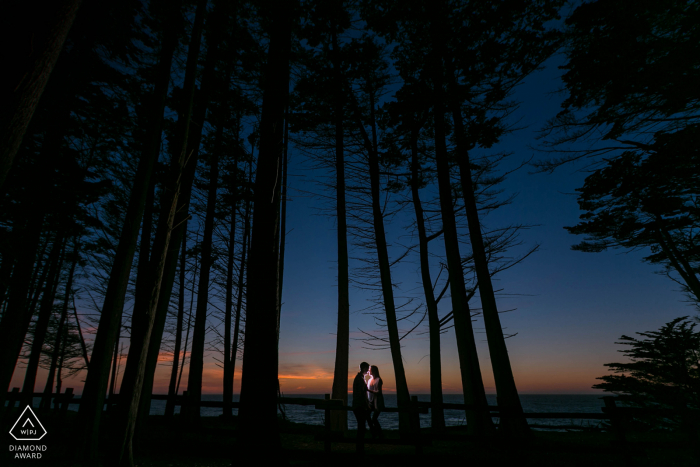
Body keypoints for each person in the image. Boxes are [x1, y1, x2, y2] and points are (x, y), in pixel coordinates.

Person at [352, 362, 373, 450]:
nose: (368, 370)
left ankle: (360, 447)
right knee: (361, 427)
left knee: (361, 427)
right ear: (364, 368)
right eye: (367, 368)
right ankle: (359, 448)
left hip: (358, 406)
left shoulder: (360, 378)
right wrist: (366, 405)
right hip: (359, 406)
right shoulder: (360, 379)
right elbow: (361, 394)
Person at [366, 365, 384, 438]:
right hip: (370, 402)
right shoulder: (369, 380)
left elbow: (379, 392)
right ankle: (374, 433)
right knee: (367, 417)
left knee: (374, 419)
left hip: (377, 403)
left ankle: (380, 434)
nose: (369, 371)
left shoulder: (379, 380)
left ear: (374, 371)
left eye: (370, 370)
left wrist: (368, 390)